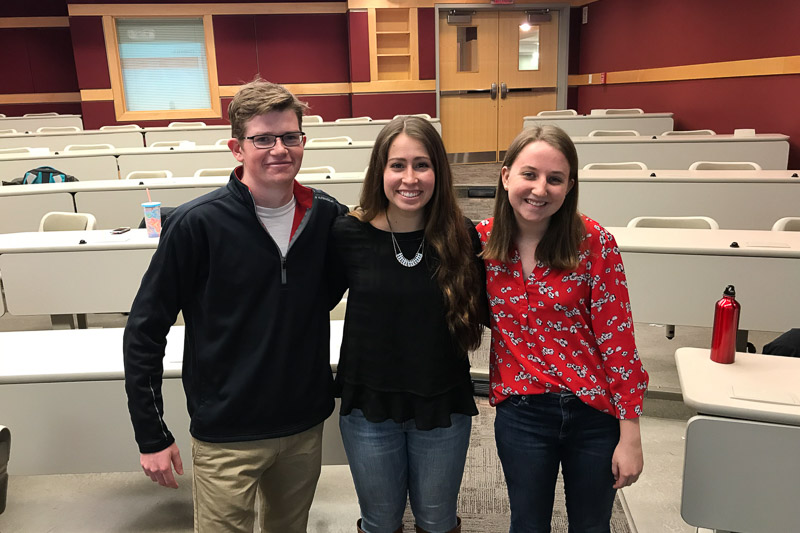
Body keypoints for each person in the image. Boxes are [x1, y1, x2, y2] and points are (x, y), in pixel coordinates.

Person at [123, 79, 347, 533]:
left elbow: (331, 291)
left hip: (302, 425)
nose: (279, 149)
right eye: (263, 138)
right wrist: (151, 433)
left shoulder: (328, 217)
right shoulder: (195, 225)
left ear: (303, 141)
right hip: (227, 431)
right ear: (236, 147)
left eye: (289, 137)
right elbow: (145, 330)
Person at [477, 125, 649, 533]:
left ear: (570, 185)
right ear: (506, 177)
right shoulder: (481, 242)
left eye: (555, 179)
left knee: (591, 526)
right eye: (529, 174)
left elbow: (619, 341)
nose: (540, 189)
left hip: (593, 413)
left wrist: (631, 434)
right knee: (527, 524)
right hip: (522, 413)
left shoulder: (593, 243)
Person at [329, 116, 486, 533]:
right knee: (381, 521)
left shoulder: (462, 235)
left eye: (422, 164)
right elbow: (306, 304)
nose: (410, 178)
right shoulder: (349, 233)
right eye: (397, 165)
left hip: (442, 403)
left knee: (436, 520)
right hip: (369, 406)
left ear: (439, 170)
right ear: (379, 170)